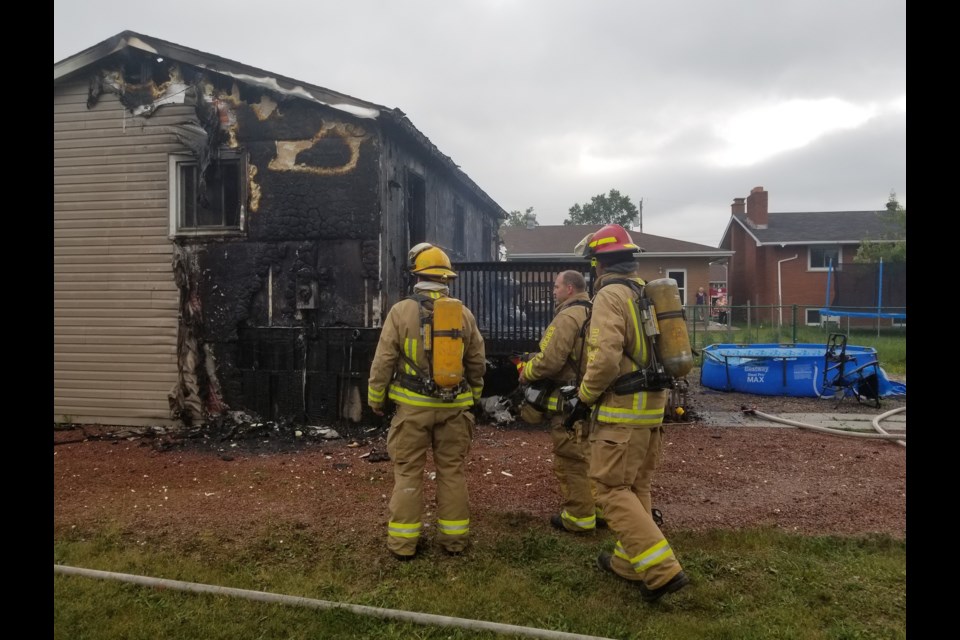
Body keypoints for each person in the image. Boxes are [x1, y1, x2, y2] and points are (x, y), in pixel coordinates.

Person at [567, 223, 689, 602]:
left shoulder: (610, 297)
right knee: (636, 487)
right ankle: (627, 563)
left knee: (608, 489)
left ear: (597, 264)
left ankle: (661, 571)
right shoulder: (644, 294)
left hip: (621, 411)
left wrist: (584, 397)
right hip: (651, 411)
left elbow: (603, 359)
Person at [367, 243, 486, 560]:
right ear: (447, 279)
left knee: (408, 473)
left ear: (416, 275)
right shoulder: (464, 314)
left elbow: (383, 361)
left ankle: (403, 544)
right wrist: (472, 395)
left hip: (412, 411)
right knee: (452, 472)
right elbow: (476, 362)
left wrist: (376, 399)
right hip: (455, 409)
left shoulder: (400, 312)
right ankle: (454, 541)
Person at [517, 270, 603, 534]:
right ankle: (600, 509)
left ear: (569, 289)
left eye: (556, 286)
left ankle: (579, 516)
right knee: (593, 457)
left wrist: (527, 371)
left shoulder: (567, 316)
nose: (553, 291)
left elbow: (550, 360)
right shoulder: (597, 312)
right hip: (595, 397)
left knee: (571, 459)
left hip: (569, 404)